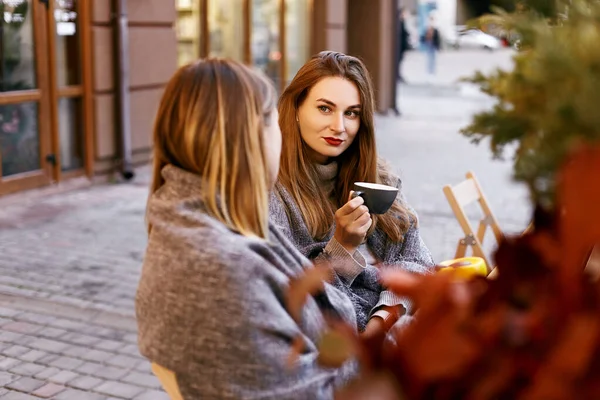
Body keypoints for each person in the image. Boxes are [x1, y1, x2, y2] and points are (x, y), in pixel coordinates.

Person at [136, 58, 358, 399]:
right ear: (248, 135)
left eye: (352, 113)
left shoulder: (193, 219)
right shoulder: (224, 269)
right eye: (273, 121)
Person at [270, 51, 435, 339]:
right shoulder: (272, 188)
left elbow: (417, 260)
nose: (339, 127)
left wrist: (381, 321)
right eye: (324, 108)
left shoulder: (378, 176)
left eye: (351, 113)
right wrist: (342, 248)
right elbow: (289, 299)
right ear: (296, 108)